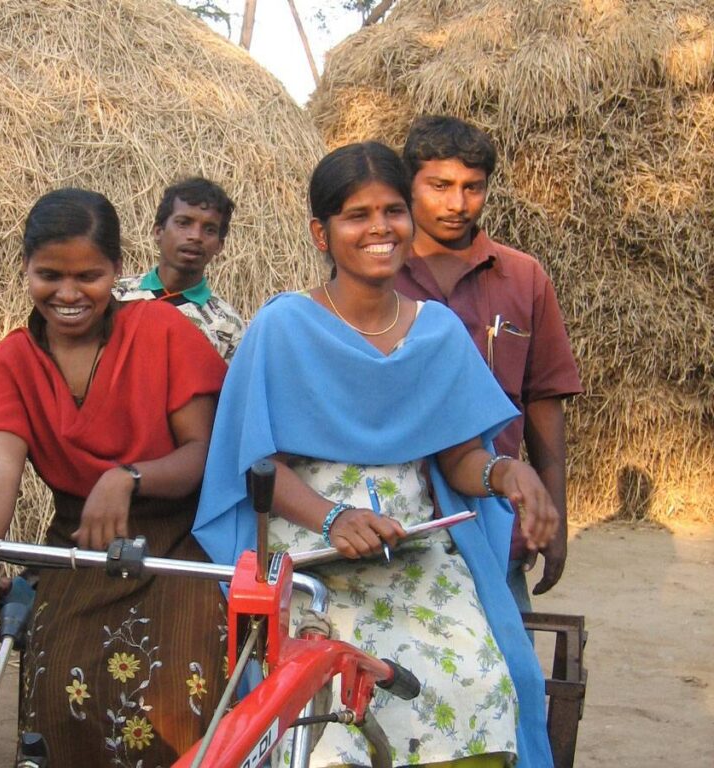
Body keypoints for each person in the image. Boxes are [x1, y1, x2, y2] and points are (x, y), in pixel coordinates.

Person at [195, 142, 557, 767]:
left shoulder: (438, 332)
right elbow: (255, 467)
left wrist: (506, 471)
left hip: (416, 557)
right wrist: (336, 518)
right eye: (356, 215)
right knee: (331, 716)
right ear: (321, 232)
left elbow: (459, 460)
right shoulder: (283, 328)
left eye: (393, 211)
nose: (379, 228)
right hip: (313, 564)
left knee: (487, 684)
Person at [0, 188, 228, 765]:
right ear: (25, 268)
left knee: (179, 695)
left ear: (117, 271)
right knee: (57, 692)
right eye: (49, 274)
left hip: (177, 547)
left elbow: (203, 454)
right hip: (78, 549)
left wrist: (127, 477)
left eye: (89, 276)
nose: (68, 295)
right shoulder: (15, 359)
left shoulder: (162, 332)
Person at [395, 116, 582, 607]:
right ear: (407, 185)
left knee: (506, 672)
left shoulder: (523, 278)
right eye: (440, 186)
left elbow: (543, 402)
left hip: (495, 520)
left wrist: (554, 514)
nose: (458, 204)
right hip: (395, 524)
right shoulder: (375, 277)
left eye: (472, 187)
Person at [113, 177, 245, 361]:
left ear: (219, 245)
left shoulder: (227, 327)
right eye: (184, 223)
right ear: (158, 232)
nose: (196, 236)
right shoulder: (117, 296)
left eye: (209, 230)